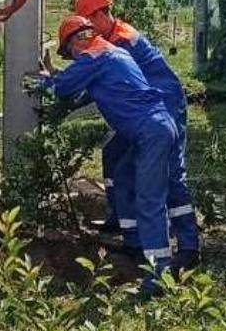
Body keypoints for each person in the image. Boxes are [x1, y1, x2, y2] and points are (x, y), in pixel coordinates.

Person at [24, 15, 177, 292]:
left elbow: (62, 88)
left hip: (150, 132)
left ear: (75, 41)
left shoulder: (94, 55)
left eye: (69, 53)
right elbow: (83, 91)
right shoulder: (110, 52)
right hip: (152, 127)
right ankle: (134, 242)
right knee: (123, 175)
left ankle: (159, 277)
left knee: (149, 201)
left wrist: (38, 82)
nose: (72, 58)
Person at [74, 0, 200, 272]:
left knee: (171, 175)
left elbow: (106, 78)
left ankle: (188, 246)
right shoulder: (110, 38)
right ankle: (129, 233)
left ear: (100, 14)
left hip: (164, 105)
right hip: (149, 109)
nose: (86, 30)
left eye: (87, 22)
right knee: (116, 160)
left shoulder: (121, 40)